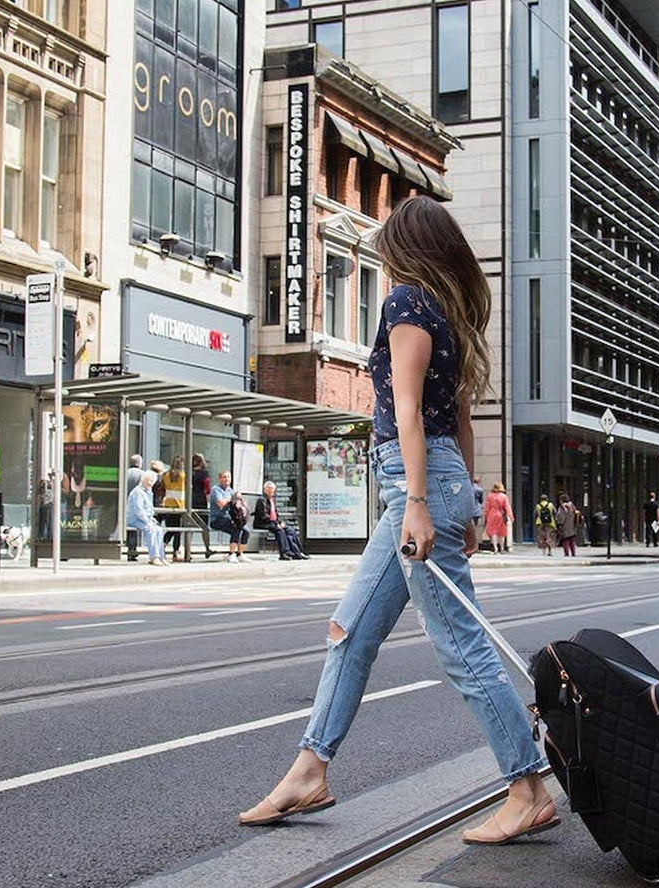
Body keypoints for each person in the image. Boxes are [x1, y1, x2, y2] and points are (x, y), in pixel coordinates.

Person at [238, 196, 556, 843]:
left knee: (463, 647)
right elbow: (463, 423)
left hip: (413, 484)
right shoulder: (449, 312)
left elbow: (409, 412)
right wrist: (463, 504)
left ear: (405, 249)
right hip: (428, 484)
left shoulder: (407, 303)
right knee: (348, 631)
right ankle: (309, 769)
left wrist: (420, 503)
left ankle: (526, 787)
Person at [253, 481, 308, 560]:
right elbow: (264, 516)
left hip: (273, 522)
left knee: (290, 530)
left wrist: (280, 522)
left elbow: (275, 514)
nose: (271, 491)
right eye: (269, 489)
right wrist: (276, 523)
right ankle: (284, 553)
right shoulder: (261, 500)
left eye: (272, 489)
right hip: (263, 523)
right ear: (265, 489)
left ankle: (298, 552)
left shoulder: (272, 500)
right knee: (280, 531)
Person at [126, 471, 166, 565]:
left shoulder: (149, 492)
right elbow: (138, 510)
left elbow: (149, 508)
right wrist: (147, 522)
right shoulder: (138, 492)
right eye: (148, 480)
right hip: (134, 518)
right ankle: (154, 557)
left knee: (159, 530)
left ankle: (161, 556)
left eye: (152, 481)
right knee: (150, 530)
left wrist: (151, 518)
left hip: (144, 518)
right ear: (143, 480)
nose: (150, 483)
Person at [210, 470, 247, 561]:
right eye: (224, 477)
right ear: (220, 479)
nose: (226, 479)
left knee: (246, 531)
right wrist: (232, 499)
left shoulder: (231, 491)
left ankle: (240, 554)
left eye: (228, 477)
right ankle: (231, 554)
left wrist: (240, 501)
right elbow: (221, 504)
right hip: (217, 519)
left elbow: (236, 504)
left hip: (230, 519)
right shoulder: (216, 490)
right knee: (236, 528)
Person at [160, 456, 187, 561]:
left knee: (170, 529)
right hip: (180, 505)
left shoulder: (166, 475)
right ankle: (175, 553)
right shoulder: (183, 475)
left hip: (168, 504)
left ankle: (163, 545)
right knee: (178, 531)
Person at [191, 454, 213, 558]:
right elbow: (207, 489)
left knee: (189, 525)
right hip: (201, 500)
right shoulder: (204, 474)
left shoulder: (189, 472)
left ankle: (187, 548)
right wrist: (209, 502)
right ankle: (207, 548)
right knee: (204, 526)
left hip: (190, 500)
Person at [482, 481, 513, 554]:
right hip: (500, 514)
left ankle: (495, 548)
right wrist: (510, 516)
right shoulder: (503, 496)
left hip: (491, 514)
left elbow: (487, 507)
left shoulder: (490, 496)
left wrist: (485, 516)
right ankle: (502, 548)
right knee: (501, 532)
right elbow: (507, 507)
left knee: (493, 532)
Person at [555, 492, 579, 557]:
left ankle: (566, 553)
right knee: (572, 540)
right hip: (572, 525)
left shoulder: (562, 508)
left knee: (565, 540)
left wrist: (559, 524)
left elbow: (561, 517)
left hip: (565, 525)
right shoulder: (572, 506)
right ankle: (573, 553)